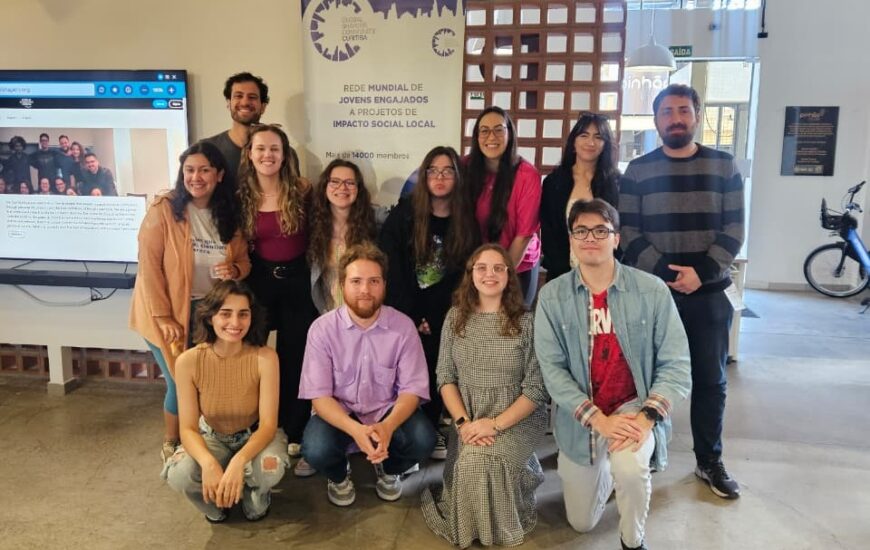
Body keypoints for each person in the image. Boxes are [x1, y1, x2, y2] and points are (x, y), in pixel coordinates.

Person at [535, 199, 691, 550]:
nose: (591, 238)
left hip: (634, 407)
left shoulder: (651, 290)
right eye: (581, 231)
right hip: (583, 419)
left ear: (616, 238)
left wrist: (646, 418)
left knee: (631, 471)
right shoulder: (552, 296)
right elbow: (552, 371)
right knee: (582, 522)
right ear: (571, 239)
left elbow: (677, 363)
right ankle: (604, 467)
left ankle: (632, 540)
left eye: (601, 230)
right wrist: (600, 422)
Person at [619, 84, 745, 500]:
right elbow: (629, 232)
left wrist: (701, 273)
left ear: (696, 115)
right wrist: (665, 274)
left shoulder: (724, 166)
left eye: (684, 110)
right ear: (656, 120)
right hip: (654, 296)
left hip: (709, 295)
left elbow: (734, 229)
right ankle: (638, 457)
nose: (676, 118)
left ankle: (709, 460)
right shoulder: (637, 171)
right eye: (667, 112)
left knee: (710, 381)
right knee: (644, 379)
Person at [129, 141, 250, 464]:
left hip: (209, 313)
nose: (196, 177)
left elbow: (243, 261)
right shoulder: (164, 210)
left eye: (204, 170)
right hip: (166, 313)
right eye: (189, 170)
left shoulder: (229, 213)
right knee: (179, 381)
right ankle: (172, 442)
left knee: (204, 382)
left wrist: (235, 270)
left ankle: (201, 441)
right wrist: (163, 316)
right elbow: (148, 267)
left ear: (219, 175)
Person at [420, 243, 549, 548]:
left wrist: (495, 425)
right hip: (470, 416)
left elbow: (536, 389)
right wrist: (464, 424)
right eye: (481, 268)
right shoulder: (455, 318)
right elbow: (445, 378)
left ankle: (491, 527)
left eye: (498, 268)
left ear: (509, 275)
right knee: (472, 464)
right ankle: (475, 524)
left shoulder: (526, 322)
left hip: (516, 419)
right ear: (471, 274)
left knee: (479, 463)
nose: (489, 274)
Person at [298, 242, 436, 507]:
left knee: (423, 440)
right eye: (356, 281)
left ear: (384, 285)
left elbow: (412, 390)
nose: (365, 289)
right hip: (340, 412)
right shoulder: (321, 330)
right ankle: (339, 475)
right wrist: (356, 430)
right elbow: (319, 397)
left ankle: (391, 469)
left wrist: (387, 426)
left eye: (374, 281)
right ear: (342, 285)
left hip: (386, 410)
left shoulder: (403, 327)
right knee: (315, 449)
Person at [379, 146, 479, 459]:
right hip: (404, 310)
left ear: (457, 178)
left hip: (444, 314)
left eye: (447, 171)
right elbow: (391, 266)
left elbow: (465, 276)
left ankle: (431, 427)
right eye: (433, 170)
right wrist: (412, 314)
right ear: (424, 176)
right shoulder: (405, 213)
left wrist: (438, 318)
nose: (439, 177)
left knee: (439, 366)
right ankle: (397, 428)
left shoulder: (467, 221)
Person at [165, 280, 287, 523]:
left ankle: (255, 492)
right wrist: (208, 464)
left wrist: (239, 461)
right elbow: (187, 429)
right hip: (212, 436)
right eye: (225, 313)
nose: (235, 322)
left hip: (254, 435)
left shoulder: (266, 358)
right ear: (210, 317)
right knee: (179, 475)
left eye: (243, 314)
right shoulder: (188, 361)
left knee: (270, 469)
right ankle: (214, 502)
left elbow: (268, 426)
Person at [237, 123, 316, 468]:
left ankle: (294, 429)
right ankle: (253, 424)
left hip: (298, 281)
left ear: (284, 155)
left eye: (274, 149)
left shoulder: (302, 190)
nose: (267, 155)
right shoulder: (240, 196)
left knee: (295, 357)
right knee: (252, 355)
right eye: (261, 148)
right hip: (258, 281)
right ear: (250, 154)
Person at [465, 106, 542, 307]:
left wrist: (499, 276)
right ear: (476, 136)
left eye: (499, 129)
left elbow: (523, 236)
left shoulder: (527, 175)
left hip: (517, 264)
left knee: (511, 321)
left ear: (510, 133)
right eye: (484, 130)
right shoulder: (464, 168)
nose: (491, 137)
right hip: (475, 267)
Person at [541, 112, 620, 281]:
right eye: (584, 135)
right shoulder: (553, 182)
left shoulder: (616, 183)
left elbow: (620, 229)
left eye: (598, 137)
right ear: (574, 141)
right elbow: (548, 231)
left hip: (606, 274)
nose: (590, 142)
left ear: (605, 144)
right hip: (561, 274)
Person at [308, 159, 378, 314]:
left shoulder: (374, 225)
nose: (342, 187)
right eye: (335, 181)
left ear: (358, 189)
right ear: (325, 186)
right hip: (327, 315)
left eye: (350, 183)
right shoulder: (312, 228)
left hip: (364, 315)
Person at [204, 72, 272, 186]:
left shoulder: (281, 153)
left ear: (263, 107)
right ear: (228, 103)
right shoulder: (206, 149)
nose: (245, 102)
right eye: (238, 96)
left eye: (252, 97)